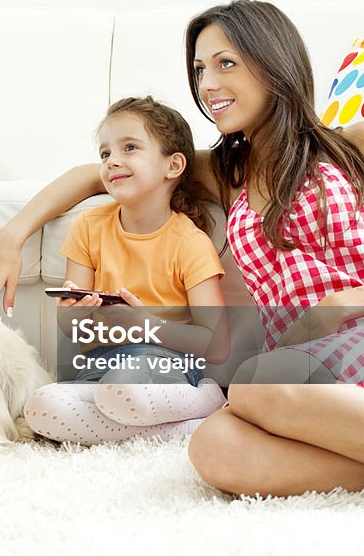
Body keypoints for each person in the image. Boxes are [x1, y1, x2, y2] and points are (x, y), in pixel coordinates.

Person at [0, 0, 364, 496]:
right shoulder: (229, 174)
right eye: (199, 69)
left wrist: (336, 307)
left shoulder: (356, 144)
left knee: (256, 380)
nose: (207, 85)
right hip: (303, 376)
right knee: (215, 448)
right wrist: (11, 235)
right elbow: (95, 174)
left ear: (274, 62)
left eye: (225, 63)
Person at [23, 96, 229, 445]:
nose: (112, 161)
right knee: (41, 406)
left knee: (120, 390)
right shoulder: (89, 227)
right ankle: (182, 430)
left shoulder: (189, 242)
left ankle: (207, 397)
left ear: (173, 166)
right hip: (100, 366)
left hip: (167, 366)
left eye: (129, 147)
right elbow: (75, 329)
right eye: (105, 154)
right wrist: (76, 317)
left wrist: (144, 325)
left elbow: (217, 344)